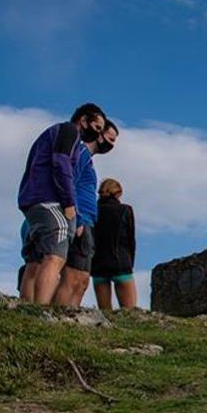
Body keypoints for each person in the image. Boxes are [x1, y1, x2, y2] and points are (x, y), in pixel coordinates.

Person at [18, 103, 107, 304]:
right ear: (83, 121)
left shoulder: (57, 134)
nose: (98, 134)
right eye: (97, 127)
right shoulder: (69, 131)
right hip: (49, 201)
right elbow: (61, 162)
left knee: (38, 260)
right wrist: (69, 203)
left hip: (34, 200)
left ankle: (28, 307)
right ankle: (42, 311)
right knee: (55, 257)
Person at [55, 119, 119, 307]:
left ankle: (71, 317)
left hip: (88, 220)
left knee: (82, 280)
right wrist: (78, 218)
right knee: (73, 276)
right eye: (110, 138)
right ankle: (60, 315)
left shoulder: (87, 159)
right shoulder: (81, 152)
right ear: (99, 135)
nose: (111, 145)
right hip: (80, 220)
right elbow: (70, 182)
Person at [90, 177, 137, 310]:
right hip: (121, 262)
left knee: (105, 312)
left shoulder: (93, 211)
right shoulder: (125, 210)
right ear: (119, 193)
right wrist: (130, 263)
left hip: (98, 264)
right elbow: (130, 240)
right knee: (130, 312)